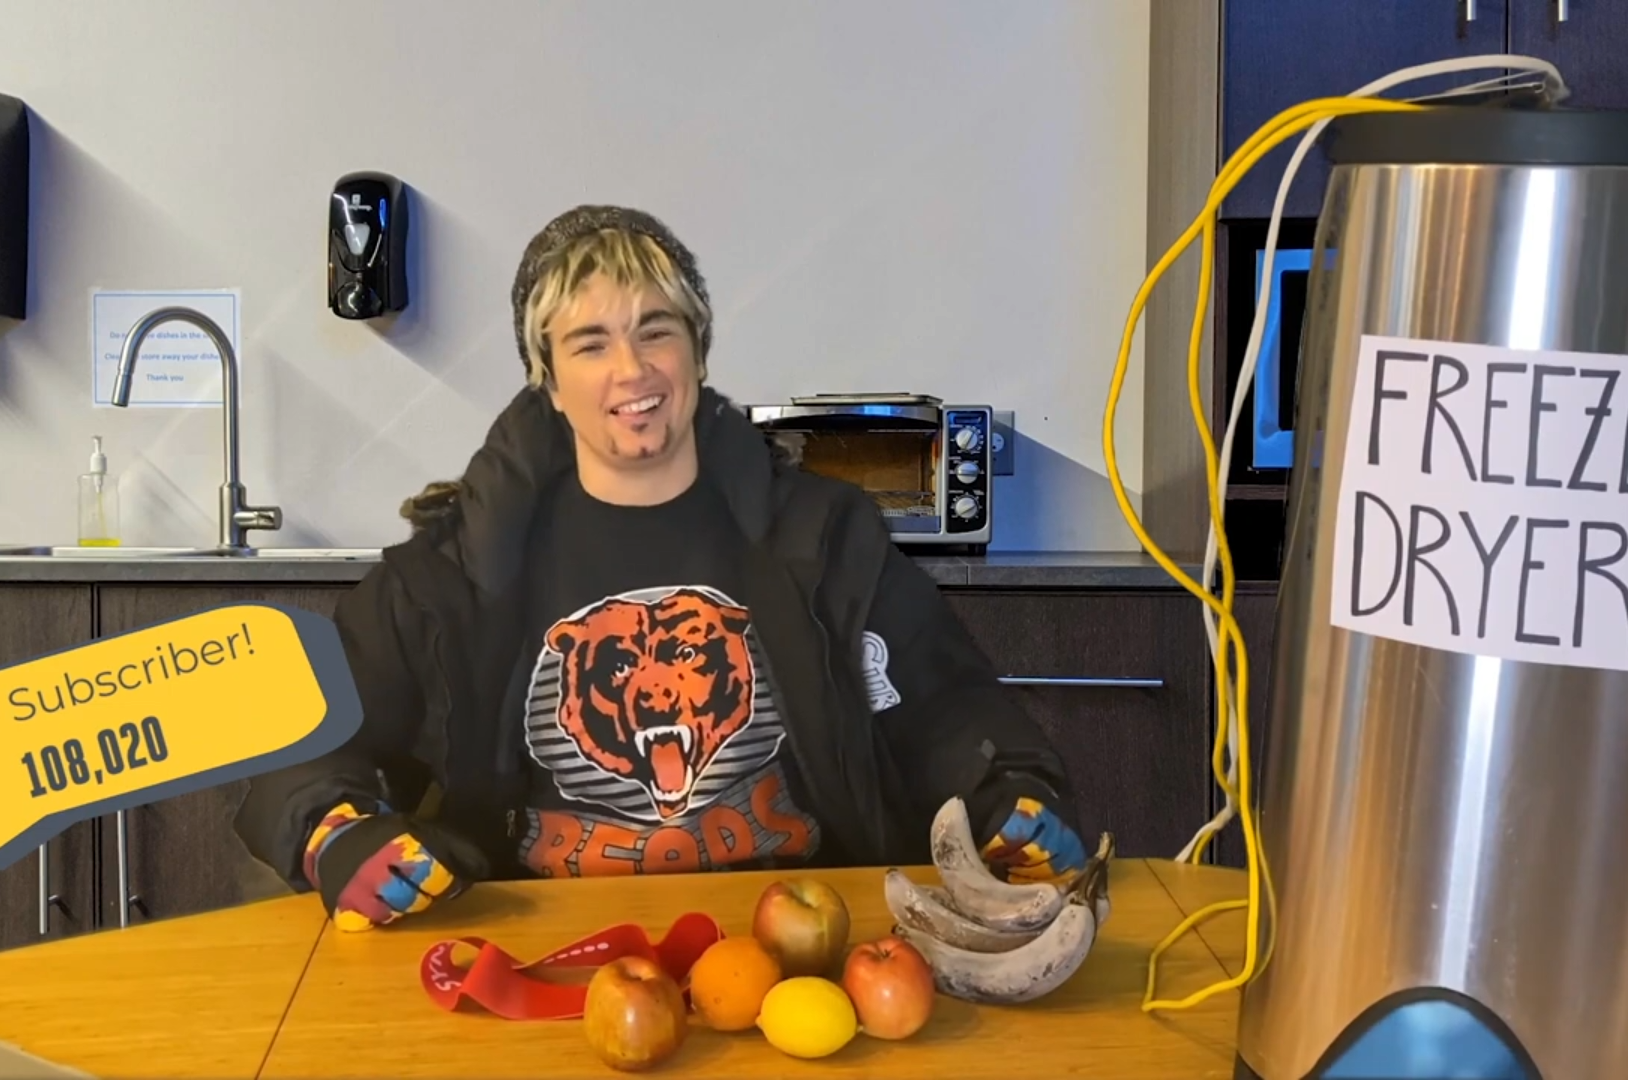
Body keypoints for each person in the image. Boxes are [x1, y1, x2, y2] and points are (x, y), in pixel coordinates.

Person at [233, 205, 1092, 931]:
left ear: (699, 349)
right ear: (546, 378)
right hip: (533, 937)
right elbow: (309, 730)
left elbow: (940, 706)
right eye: (590, 343)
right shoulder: (456, 566)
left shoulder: (821, 539)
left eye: (656, 331)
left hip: (803, 929)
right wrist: (331, 831)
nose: (632, 370)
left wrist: (1001, 789)